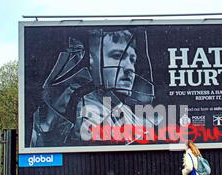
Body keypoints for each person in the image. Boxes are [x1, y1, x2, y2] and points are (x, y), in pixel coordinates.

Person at [30, 28, 158, 147]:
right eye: (117, 56)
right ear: (92, 60)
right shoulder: (83, 109)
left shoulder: (124, 109)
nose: (129, 68)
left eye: (132, 60)